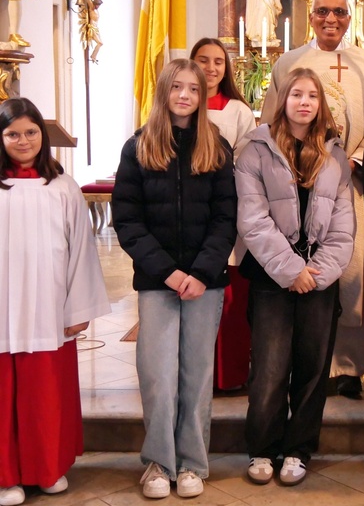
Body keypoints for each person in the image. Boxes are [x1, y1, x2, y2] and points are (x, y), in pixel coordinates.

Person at [112, 59, 237, 500]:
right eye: (177, 87)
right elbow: (127, 219)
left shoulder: (216, 146)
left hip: (206, 282)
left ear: (202, 97)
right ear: (164, 91)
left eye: (194, 89)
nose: (185, 95)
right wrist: (168, 272)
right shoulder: (139, 147)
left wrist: (201, 272)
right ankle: (158, 463)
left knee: (198, 375)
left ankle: (192, 464)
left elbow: (227, 217)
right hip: (158, 281)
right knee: (159, 374)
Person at [261, 0, 364, 398]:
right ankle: (305, 362)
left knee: (350, 273)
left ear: (350, 17)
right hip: (296, 182)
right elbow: (270, 121)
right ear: (310, 15)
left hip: (348, 181)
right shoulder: (289, 63)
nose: (330, 19)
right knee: (303, 265)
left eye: (339, 12)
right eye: (322, 11)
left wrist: (353, 158)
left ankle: (349, 367)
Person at [236, 68, 355, 486]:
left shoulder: (334, 154)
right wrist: (291, 270)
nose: (305, 102)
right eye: (296, 95)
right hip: (272, 277)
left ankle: (298, 449)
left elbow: (344, 226)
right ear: (282, 100)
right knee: (269, 368)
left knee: (311, 367)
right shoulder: (255, 150)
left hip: (320, 276)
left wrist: (316, 273)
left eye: (312, 96)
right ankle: (262, 449)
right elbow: (252, 220)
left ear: (321, 105)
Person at [0, 97, 110, 506]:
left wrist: (77, 309)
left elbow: (81, 249)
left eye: (31, 132)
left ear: (42, 138)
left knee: (44, 390)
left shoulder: (61, 186)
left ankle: (47, 468)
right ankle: (6, 476)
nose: (23, 140)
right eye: (13, 134)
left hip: (48, 306)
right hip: (2, 307)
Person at [190, 38, 255, 391]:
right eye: (203, 60)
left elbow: (244, 163)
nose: (211, 68)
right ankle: (197, 379)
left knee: (231, 301)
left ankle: (229, 376)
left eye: (218, 61)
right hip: (189, 216)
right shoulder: (182, 104)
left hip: (227, 211)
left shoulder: (238, 111)